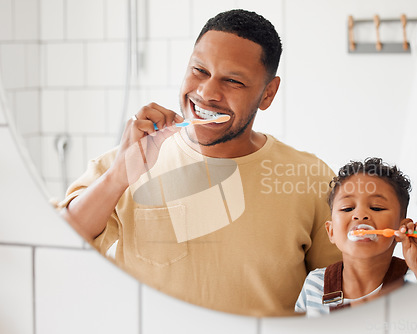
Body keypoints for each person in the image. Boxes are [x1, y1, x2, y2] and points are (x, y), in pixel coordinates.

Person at [60, 9, 341, 317]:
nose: (207, 93)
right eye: (199, 71)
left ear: (268, 94)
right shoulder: (128, 161)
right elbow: (60, 244)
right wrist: (117, 178)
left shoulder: (310, 177)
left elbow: (340, 290)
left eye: (232, 80)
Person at [295, 158, 417, 317]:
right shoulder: (314, 285)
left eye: (377, 207)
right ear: (331, 231)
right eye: (347, 208)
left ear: (401, 228)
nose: (360, 215)